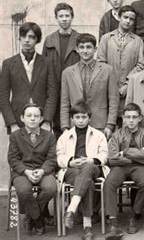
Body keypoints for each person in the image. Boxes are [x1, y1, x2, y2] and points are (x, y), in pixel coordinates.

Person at [57, 101, 109, 240]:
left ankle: (71, 209)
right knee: (88, 184)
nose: (80, 121)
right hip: (72, 170)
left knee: (88, 168)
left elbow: (104, 155)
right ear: (72, 119)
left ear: (89, 118)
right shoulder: (65, 136)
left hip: (93, 168)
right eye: (77, 117)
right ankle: (87, 227)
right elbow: (59, 157)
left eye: (84, 117)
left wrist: (92, 160)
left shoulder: (98, 135)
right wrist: (70, 162)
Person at [104, 103, 144, 238]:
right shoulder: (116, 135)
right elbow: (112, 159)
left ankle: (135, 215)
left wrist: (125, 152)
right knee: (109, 183)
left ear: (140, 118)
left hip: (139, 167)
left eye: (134, 117)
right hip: (120, 167)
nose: (131, 120)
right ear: (123, 118)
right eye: (128, 117)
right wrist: (137, 156)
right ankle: (113, 222)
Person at [8, 103, 57, 235]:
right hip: (22, 173)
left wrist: (42, 171)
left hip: (43, 171)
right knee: (23, 190)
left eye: (36, 116)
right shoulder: (15, 136)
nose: (33, 118)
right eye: (29, 115)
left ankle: (30, 216)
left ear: (41, 119)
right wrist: (26, 171)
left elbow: (52, 158)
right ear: (22, 118)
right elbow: (13, 159)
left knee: (51, 188)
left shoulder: (49, 136)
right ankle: (38, 218)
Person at [0, 22, 57, 134]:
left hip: (41, 119)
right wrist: (12, 124)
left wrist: (46, 121)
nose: (27, 40)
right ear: (19, 38)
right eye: (24, 36)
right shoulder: (8, 64)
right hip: (17, 120)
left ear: (37, 40)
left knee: (42, 151)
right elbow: (3, 96)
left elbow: (52, 94)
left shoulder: (47, 63)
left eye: (31, 37)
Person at [60, 33, 119, 139]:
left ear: (95, 49)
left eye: (88, 47)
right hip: (76, 124)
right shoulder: (67, 72)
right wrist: (65, 127)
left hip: (100, 124)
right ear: (77, 49)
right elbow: (64, 102)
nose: (85, 51)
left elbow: (113, 100)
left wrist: (110, 125)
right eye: (81, 47)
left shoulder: (107, 70)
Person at [97, 5, 144, 116]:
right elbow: (101, 62)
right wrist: (112, 84)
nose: (128, 21)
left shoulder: (138, 41)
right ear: (119, 18)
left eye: (131, 19)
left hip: (129, 89)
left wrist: (127, 85)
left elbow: (141, 64)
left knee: (127, 117)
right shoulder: (106, 38)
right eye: (125, 17)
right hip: (108, 87)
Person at [42, 3, 81, 137]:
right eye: (61, 16)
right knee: (57, 125)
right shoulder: (49, 40)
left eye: (67, 16)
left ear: (72, 17)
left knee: (76, 122)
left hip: (74, 89)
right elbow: (43, 66)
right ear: (56, 18)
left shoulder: (80, 39)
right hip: (55, 90)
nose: (64, 19)